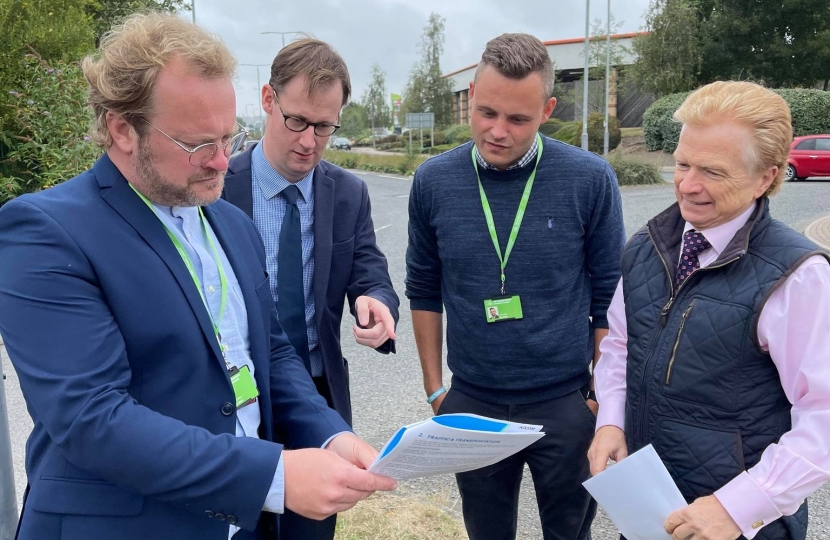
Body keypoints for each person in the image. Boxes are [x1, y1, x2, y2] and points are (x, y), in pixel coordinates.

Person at [0, 14, 396, 540]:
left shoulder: (230, 223)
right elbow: (92, 419)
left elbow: (270, 353)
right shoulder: (45, 231)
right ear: (122, 129)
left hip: (242, 522)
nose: (219, 161)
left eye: (228, 138)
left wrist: (327, 435)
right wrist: (274, 477)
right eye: (196, 144)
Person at [405, 33, 625, 540]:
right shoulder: (433, 181)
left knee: (569, 533)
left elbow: (608, 293)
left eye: (518, 119)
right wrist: (436, 388)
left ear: (547, 109)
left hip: (565, 403)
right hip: (472, 404)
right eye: (486, 112)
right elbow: (423, 285)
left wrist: (598, 394)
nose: (497, 131)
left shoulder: (589, 179)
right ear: (472, 95)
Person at [589, 81, 830, 540]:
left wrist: (738, 507)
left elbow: (824, 417)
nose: (688, 185)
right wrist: (611, 421)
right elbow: (620, 344)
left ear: (766, 177)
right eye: (682, 164)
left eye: (713, 172)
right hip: (650, 510)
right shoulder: (648, 245)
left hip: (737, 527)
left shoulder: (798, 276)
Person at [222, 38, 398, 540]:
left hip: (317, 398)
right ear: (267, 100)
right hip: (233, 400)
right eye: (297, 120)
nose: (309, 141)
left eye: (325, 126)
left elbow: (369, 268)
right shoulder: (216, 189)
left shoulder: (347, 193)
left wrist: (376, 301)